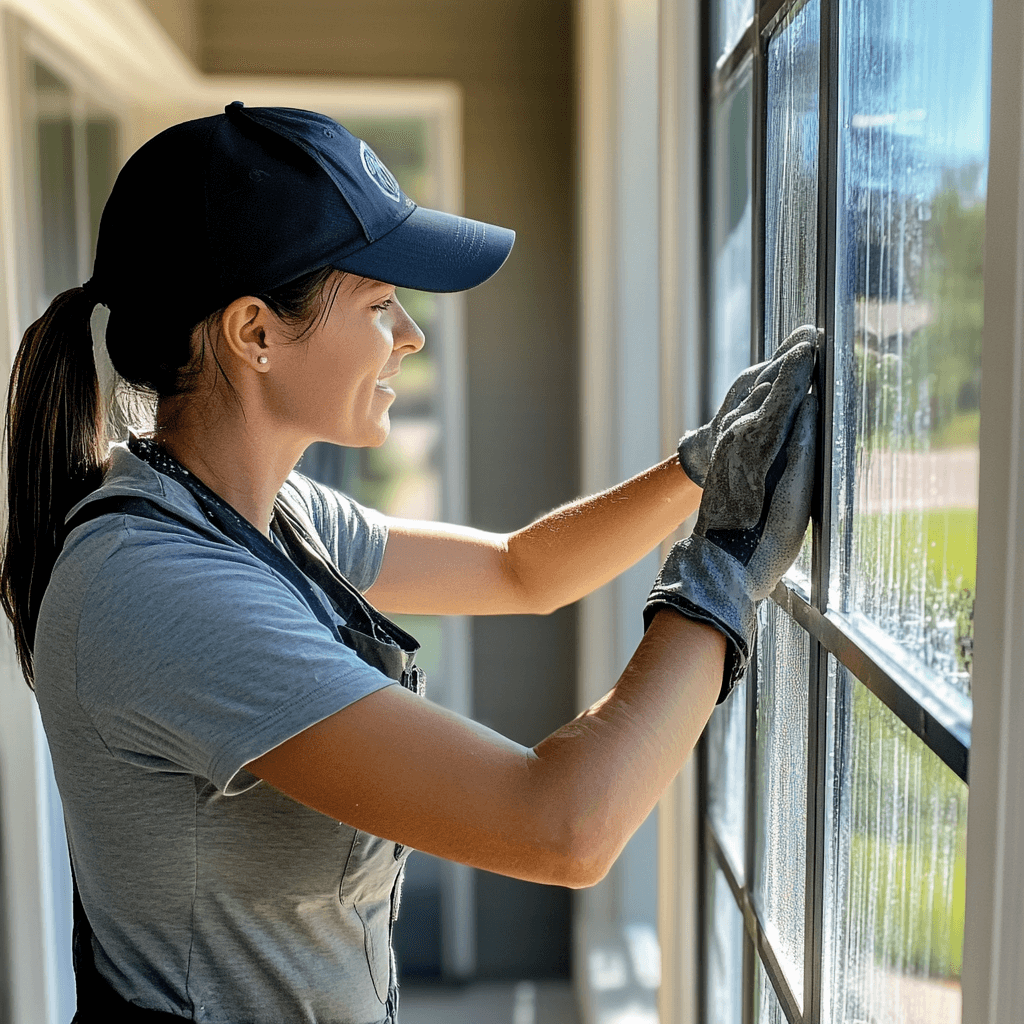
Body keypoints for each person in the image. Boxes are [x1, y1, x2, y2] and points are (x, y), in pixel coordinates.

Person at [1, 102, 816, 1024]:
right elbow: (564, 827)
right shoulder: (155, 585)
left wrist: (700, 467)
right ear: (254, 332)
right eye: (381, 302)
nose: (412, 335)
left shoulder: (265, 514)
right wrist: (724, 572)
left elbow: (522, 571)